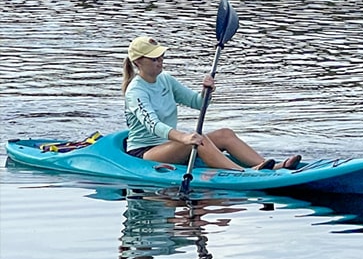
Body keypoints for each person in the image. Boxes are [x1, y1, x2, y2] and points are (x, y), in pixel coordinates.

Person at [122, 35, 299, 171]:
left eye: (161, 56)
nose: (160, 61)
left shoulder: (166, 79)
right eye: (154, 59)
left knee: (225, 134)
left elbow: (198, 103)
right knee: (198, 139)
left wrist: (207, 91)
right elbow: (153, 125)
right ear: (138, 62)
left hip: (169, 146)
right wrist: (184, 137)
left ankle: (269, 166)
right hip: (145, 153)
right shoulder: (135, 91)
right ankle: (244, 173)